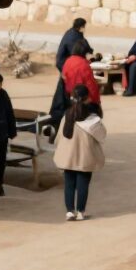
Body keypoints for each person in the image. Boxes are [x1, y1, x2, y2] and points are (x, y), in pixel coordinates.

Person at [52, 83, 106, 221]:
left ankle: (69, 211)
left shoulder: (67, 115)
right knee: (83, 183)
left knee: (69, 183)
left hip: (68, 156)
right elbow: (102, 135)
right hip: (85, 157)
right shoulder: (92, 118)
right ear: (87, 98)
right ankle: (81, 212)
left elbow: (58, 137)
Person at [50, 17, 98, 123]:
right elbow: (89, 84)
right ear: (81, 27)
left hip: (67, 67)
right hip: (67, 67)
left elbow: (84, 46)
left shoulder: (74, 33)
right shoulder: (72, 37)